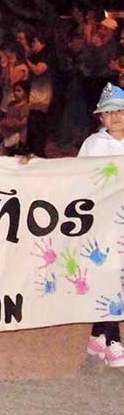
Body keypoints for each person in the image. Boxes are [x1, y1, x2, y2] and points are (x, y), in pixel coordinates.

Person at [80, 83, 124, 367]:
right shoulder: (94, 145)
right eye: (109, 112)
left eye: (121, 110)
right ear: (101, 118)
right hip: (104, 224)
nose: (116, 116)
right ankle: (113, 339)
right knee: (109, 277)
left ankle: (98, 334)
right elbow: (77, 178)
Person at [0, 80, 30, 156]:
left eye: (19, 91)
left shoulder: (26, 106)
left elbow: (24, 122)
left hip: (19, 138)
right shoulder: (11, 104)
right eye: (14, 90)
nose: (16, 93)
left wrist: (10, 123)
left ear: (26, 92)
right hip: (7, 136)